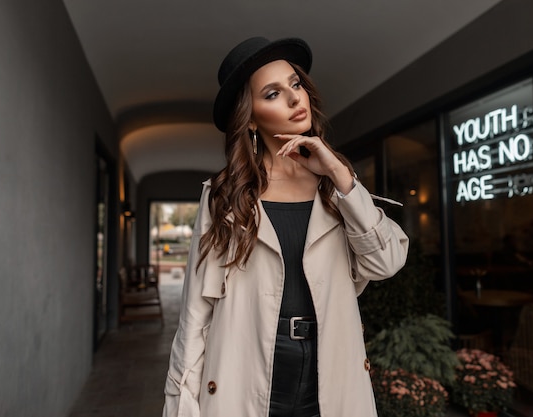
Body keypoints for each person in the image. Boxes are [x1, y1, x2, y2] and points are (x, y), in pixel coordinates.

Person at [162, 36, 410, 417]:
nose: (295, 99)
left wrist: (341, 177)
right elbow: (196, 313)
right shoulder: (224, 195)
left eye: (295, 85)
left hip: (330, 363)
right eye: (273, 93)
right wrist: (180, 405)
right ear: (250, 118)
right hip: (248, 365)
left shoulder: (336, 186)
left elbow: (387, 262)